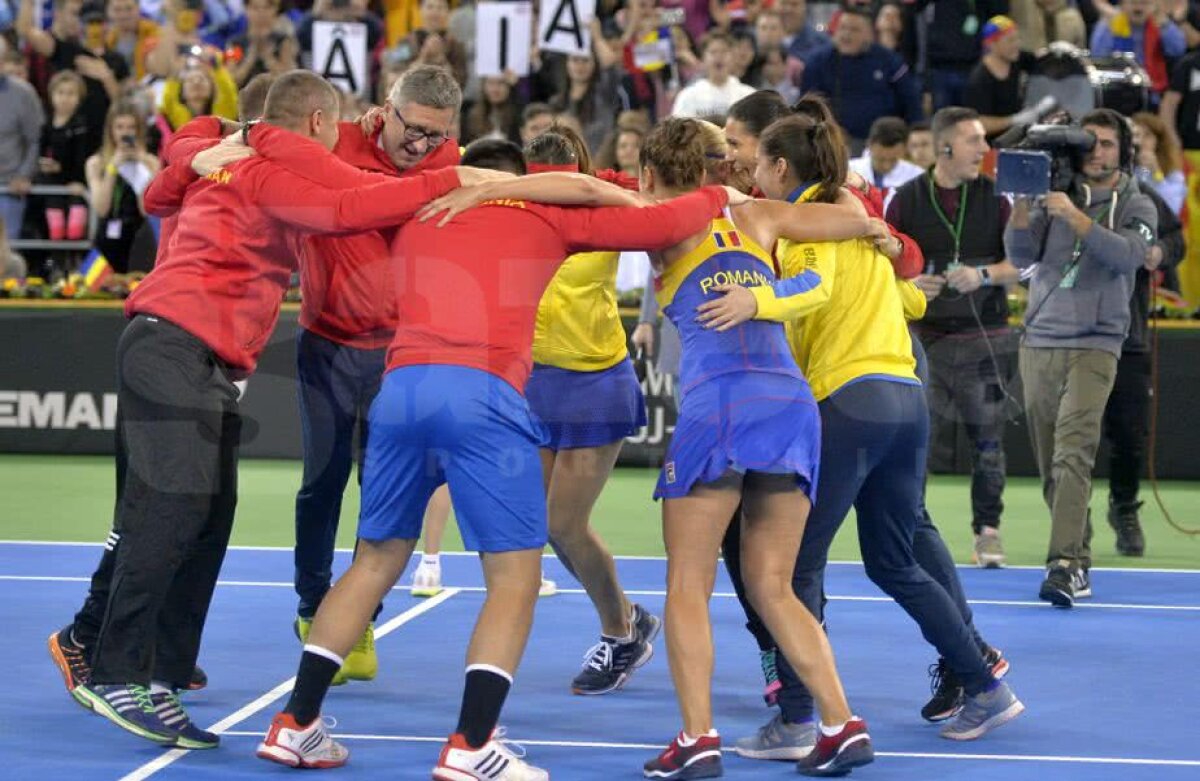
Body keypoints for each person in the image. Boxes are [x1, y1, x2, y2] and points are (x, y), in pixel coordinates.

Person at [251, 137, 738, 779]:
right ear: (528, 179)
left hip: (401, 390)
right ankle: (472, 745)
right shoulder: (544, 213)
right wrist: (719, 193)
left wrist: (255, 136)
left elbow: (333, 185)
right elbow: (666, 219)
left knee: (373, 560)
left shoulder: (420, 207)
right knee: (513, 578)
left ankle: (296, 724)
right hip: (483, 393)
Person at [46, 69, 493, 748]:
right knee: (169, 510)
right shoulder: (268, 171)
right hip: (172, 344)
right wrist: (458, 179)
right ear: (318, 124)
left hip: (199, 359)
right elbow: (350, 206)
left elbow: (170, 184)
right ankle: (114, 670)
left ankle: (161, 668)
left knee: (206, 512)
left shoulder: (237, 152)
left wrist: (194, 153)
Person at [702, 109, 1023, 751]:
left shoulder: (813, 222)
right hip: (906, 399)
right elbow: (914, 301)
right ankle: (987, 687)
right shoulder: (861, 223)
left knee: (791, 568)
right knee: (894, 560)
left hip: (849, 401)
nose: (753, 173)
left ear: (782, 168)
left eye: (760, 162)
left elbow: (814, 289)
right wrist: (877, 264)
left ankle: (797, 717)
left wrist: (756, 301)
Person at [634, 117, 882, 780]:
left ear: (652, 175)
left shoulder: (656, 224)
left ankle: (697, 737)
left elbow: (580, 208)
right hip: (789, 404)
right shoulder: (760, 216)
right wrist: (874, 226)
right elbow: (848, 216)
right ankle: (840, 721)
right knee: (773, 584)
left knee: (688, 583)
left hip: (721, 404)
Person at [1005, 108, 1157, 607]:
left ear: (1124, 151)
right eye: (1088, 142)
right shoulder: (1054, 192)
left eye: (1108, 143)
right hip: (1040, 339)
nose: (1097, 151)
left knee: (1074, 450)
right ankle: (1079, 555)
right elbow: (1022, 256)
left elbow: (1129, 258)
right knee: (1052, 463)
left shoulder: (1135, 201)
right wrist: (1024, 206)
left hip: (1098, 342)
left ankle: (1064, 564)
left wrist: (1075, 216)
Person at [887, 107, 1019, 568]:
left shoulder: (998, 197)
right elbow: (882, 266)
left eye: (984, 141)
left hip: (987, 339)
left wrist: (982, 274)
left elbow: (1022, 265)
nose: (984, 150)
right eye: (974, 142)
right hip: (924, 342)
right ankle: (911, 530)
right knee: (916, 442)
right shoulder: (904, 198)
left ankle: (988, 532)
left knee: (989, 442)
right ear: (945, 147)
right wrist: (908, 284)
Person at [1102, 182, 1183, 557]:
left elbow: (1175, 239)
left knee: (1131, 432)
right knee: (1069, 437)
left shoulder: (1142, 195)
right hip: (1071, 334)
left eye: (1108, 144)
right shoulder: (1064, 191)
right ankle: (1070, 517)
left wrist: (1159, 252)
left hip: (1129, 332)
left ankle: (1124, 506)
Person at [800, 4, 922, 151]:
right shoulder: (818, 62)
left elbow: (911, 104)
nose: (846, 34)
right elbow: (808, 108)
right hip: (833, 144)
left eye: (854, 29)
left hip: (884, 144)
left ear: (870, 35)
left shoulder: (890, 62)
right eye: (842, 27)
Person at [85, 103, 160, 273]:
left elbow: (147, 209)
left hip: (139, 236)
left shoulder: (151, 162)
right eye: (119, 127)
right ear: (110, 130)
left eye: (131, 127)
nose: (125, 133)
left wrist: (141, 168)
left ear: (139, 130)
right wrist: (112, 168)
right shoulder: (96, 163)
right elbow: (101, 208)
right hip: (107, 235)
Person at [0, 35, 43, 240]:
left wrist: (24, 175)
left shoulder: (24, 94)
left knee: (6, 252)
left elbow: (35, 140)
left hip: (10, 187)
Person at [671, 32, 756, 119]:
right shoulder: (688, 95)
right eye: (713, 52)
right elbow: (677, 129)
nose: (719, 57)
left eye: (724, 52)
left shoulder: (748, 95)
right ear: (703, 58)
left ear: (733, 57)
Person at [848, 116, 923, 200]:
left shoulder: (917, 177)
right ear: (869, 145)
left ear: (905, 149)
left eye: (893, 160)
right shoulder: (848, 170)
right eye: (881, 159)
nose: (886, 166)